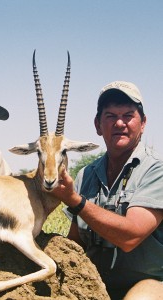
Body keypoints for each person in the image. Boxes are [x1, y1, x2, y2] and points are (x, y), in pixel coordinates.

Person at [53, 81, 163, 300]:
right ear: (97, 124)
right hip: (94, 283)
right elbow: (76, 241)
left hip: (148, 283)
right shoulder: (86, 175)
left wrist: (77, 201)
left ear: (143, 123)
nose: (119, 123)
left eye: (128, 115)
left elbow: (130, 236)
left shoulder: (156, 170)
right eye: (110, 116)